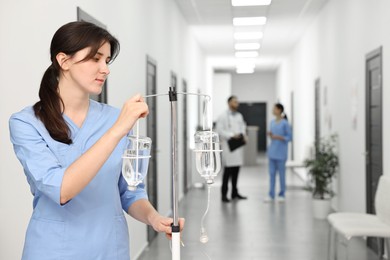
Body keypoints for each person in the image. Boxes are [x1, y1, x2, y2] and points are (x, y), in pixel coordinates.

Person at [9, 21, 184, 260]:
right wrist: (116, 131)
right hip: (53, 250)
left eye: (107, 61)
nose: (105, 69)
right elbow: (61, 190)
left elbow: (130, 192)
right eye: (95, 58)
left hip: (110, 249)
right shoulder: (26, 123)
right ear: (64, 61)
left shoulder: (114, 118)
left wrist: (155, 219)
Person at [216, 96, 247, 203]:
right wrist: (231, 135)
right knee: (227, 173)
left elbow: (243, 126)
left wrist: (243, 134)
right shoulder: (223, 116)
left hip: (237, 147)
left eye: (237, 102)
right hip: (228, 147)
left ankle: (234, 193)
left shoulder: (239, 116)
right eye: (235, 102)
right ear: (229, 103)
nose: (237, 103)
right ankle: (224, 194)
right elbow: (219, 130)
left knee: (236, 171)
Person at [264, 103, 292, 203]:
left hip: (281, 153)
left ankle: (282, 194)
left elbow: (289, 137)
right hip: (272, 152)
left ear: (279, 110)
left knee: (281, 174)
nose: (273, 110)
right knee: (271, 174)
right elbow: (272, 135)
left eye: (275, 108)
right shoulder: (272, 122)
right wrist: (270, 135)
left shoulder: (285, 123)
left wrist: (280, 137)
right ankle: (271, 194)